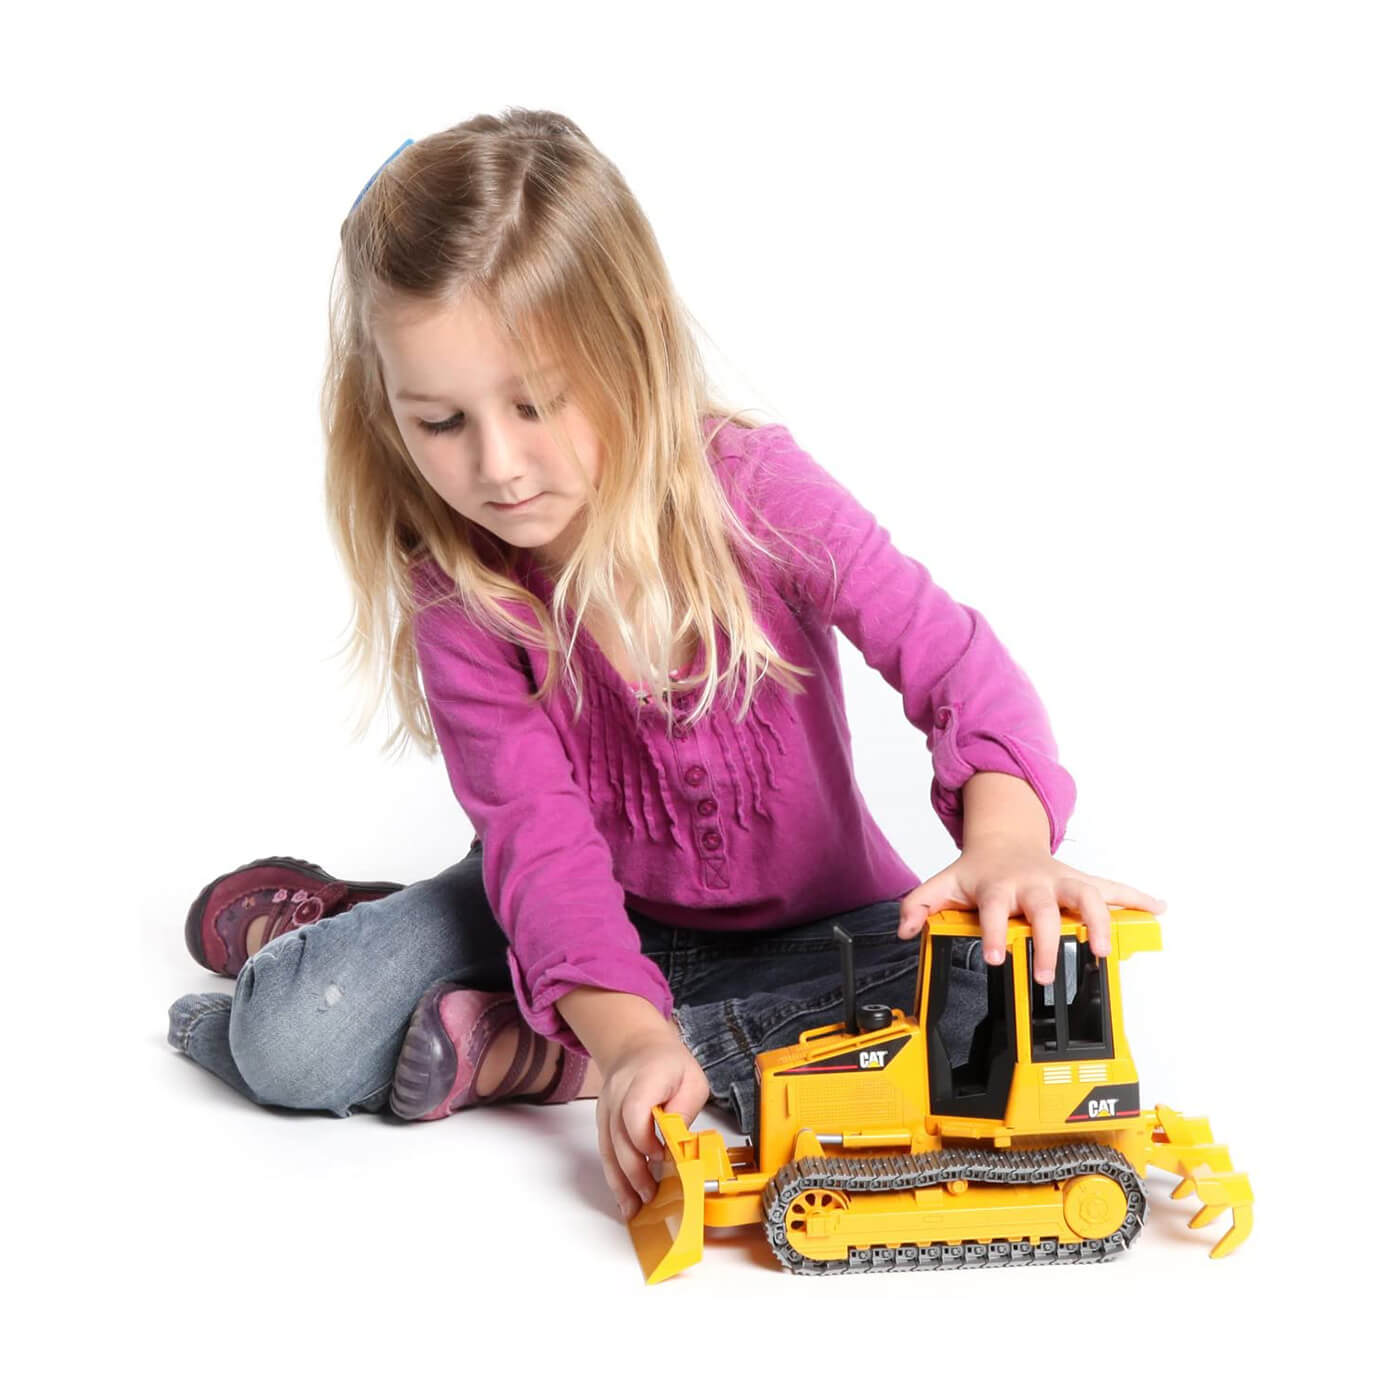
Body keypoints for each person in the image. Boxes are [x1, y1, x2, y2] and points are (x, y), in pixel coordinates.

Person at [166, 107, 1165, 1225]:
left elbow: (955, 666)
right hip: (564, 905)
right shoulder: (458, 585)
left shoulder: (757, 492)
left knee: (999, 995)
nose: (497, 467)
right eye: (439, 420)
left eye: (536, 402)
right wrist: (633, 1028)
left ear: (633, 339)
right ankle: (498, 992)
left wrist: (1006, 844)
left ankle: (551, 1049)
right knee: (291, 1037)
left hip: (819, 933)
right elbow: (537, 843)